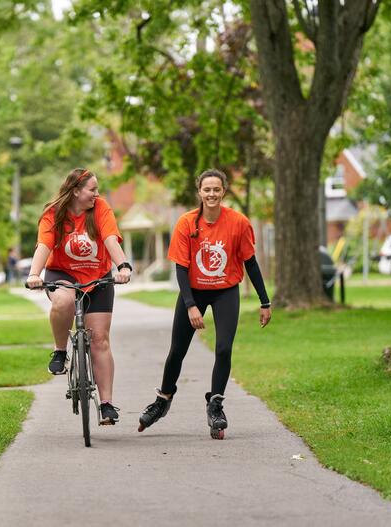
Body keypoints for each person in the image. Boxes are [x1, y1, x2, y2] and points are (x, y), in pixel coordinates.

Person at [137, 168, 272, 439]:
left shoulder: (239, 222)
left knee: (223, 348)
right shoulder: (187, 223)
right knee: (177, 351)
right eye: (207, 189)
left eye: (216, 189)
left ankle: (215, 405)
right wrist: (190, 305)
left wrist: (264, 301)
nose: (212, 194)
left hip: (225, 291)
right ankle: (163, 399)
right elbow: (180, 268)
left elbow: (251, 263)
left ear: (224, 191)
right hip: (193, 292)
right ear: (199, 192)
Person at [26, 168, 132, 425]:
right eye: (92, 189)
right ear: (75, 191)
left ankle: (106, 404)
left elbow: (109, 239)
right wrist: (34, 274)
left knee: (100, 340)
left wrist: (123, 266)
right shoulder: (53, 213)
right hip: (63, 274)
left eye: (97, 189)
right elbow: (44, 245)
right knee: (63, 301)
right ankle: (60, 351)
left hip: (97, 276)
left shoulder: (101, 208)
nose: (97, 194)